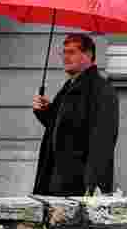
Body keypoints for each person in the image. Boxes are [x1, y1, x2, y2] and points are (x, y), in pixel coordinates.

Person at [31, 33, 119, 196]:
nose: (65, 57)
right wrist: (44, 111)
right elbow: (62, 128)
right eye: (64, 52)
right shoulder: (69, 87)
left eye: (71, 52)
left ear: (88, 55)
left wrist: (92, 185)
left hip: (78, 186)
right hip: (56, 181)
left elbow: (103, 140)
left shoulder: (101, 90)